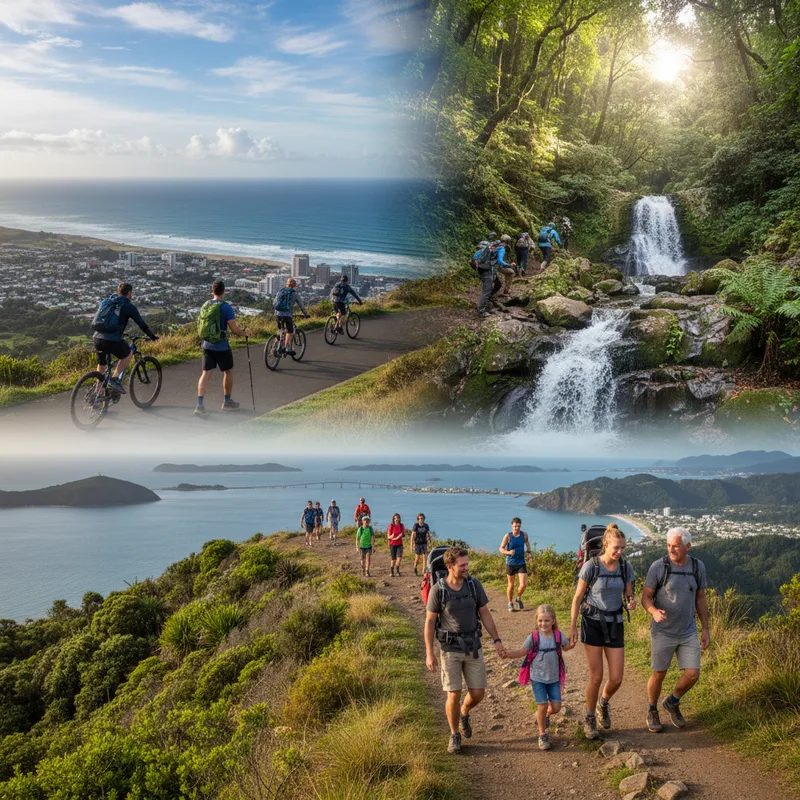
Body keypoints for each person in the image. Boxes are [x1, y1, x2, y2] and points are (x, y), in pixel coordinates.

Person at [425, 547, 506, 754]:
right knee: (453, 693)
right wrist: (430, 653)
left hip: (473, 646)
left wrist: (496, 640)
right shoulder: (438, 590)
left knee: (478, 692)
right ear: (450, 566)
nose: (467, 568)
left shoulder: (473, 585)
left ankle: (464, 711)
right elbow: (430, 622)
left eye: (467, 564)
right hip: (450, 649)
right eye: (462, 565)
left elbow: (485, 613)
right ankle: (454, 735)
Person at [569, 524, 635, 740]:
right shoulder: (591, 566)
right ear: (606, 545)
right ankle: (589, 718)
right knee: (596, 676)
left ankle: (603, 703)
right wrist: (572, 626)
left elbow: (628, 594)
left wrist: (631, 601)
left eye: (623, 548)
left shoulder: (625, 567)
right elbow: (578, 597)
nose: (619, 552)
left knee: (616, 678)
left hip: (615, 622)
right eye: (616, 548)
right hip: (592, 622)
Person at [641, 527, 709, 733]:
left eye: (676, 546)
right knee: (659, 673)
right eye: (669, 545)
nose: (671, 549)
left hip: (688, 630)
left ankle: (672, 701)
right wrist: (653, 611)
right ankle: (652, 710)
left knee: (693, 674)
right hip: (663, 631)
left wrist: (705, 629)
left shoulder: (697, 567)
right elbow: (645, 597)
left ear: (688, 546)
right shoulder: (658, 567)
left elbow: (701, 599)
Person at [501, 603, 575, 750]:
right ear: (536, 621)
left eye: (547, 620)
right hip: (537, 678)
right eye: (540, 620)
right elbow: (522, 652)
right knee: (542, 705)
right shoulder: (533, 637)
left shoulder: (558, 636)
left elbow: (566, 647)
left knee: (556, 708)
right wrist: (508, 654)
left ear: (553, 621)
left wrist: (571, 644)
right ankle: (542, 734)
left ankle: (544, 715)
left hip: (554, 678)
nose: (543, 623)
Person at [92, 282, 158, 396]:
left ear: (119, 292)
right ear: (129, 293)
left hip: (97, 338)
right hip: (111, 339)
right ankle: (115, 379)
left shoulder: (109, 302)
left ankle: (97, 393)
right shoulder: (128, 306)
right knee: (128, 354)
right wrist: (152, 336)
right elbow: (142, 324)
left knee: (102, 365)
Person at [195, 279, 249, 416]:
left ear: (212, 290)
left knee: (205, 374)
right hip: (221, 346)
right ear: (224, 291)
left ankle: (200, 406)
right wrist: (244, 333)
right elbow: (234, 329)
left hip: (207, 345)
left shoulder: (205, 305)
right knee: (228, 371)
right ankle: (227, 402)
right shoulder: (226, 307)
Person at [499, 517, 532, 612]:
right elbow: (501, 548)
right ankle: (510, 603)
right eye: (515, 526)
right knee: (511, 585)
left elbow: (527, 543)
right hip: (510, 563)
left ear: (520, 526)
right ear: (512, 526)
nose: (516, 528)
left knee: (523, 584)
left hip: (521, 562)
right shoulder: (508, 536)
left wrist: (529, 553)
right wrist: (508, 552)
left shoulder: (524, 535)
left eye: (518, 526)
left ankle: (518, 598)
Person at [274, 278, 309, 355]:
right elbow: (301, 306)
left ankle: (277, 343)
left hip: (277, 314)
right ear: (295, 285)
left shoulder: (280, 291)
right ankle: (287, 347)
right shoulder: (295, 294)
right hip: (287, 315)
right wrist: (306, 314)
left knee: (281, 329)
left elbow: (274, 303)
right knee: (290, 331)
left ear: (286, 284)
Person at [473, 240, 496, 318]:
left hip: (482, 273)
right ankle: (482, 311)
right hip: (487, 273)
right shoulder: (485, 252)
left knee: (487, 291)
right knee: (486, 292)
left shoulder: (477, 253)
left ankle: (486, 308)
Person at [387, 513, 406, 577]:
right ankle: (392, 571)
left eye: (397, 518)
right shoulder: (391, 526)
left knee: (399, 558)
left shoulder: (401, 525)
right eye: (395, 518)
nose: (396, 519)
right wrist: (393, 537)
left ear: (399, 519)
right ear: (393, 519)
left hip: (399, 544)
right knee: (393, 559)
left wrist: (401, 535)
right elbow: (388, 537)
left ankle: (397, 571)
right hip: (392, 544)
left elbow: (403, 534)